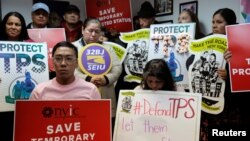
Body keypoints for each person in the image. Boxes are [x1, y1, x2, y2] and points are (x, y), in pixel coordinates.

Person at [73, 18, 122, 131]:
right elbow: (72, 70)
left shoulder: (108, 48)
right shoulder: (73, 47)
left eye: (97, 31)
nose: (93, 34)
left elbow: (117, 67)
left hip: (105, 92)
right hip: (81, 94)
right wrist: (87, 78)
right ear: (82, 30)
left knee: (105, 129)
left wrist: (106, 79)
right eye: (90, 30)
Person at [29, 41, 100, 99]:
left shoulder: (91, 90)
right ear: (53, 62)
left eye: (68, 59)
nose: (63, 63)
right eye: (58, 58)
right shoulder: (40, 91)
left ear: (76, 63)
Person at [0, 11, 32, 141]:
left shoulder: (31, 44)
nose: (13, 27)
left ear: (22, 27)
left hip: (26, 104)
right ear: (4, 25)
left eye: (17, 24)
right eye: (10, 23)